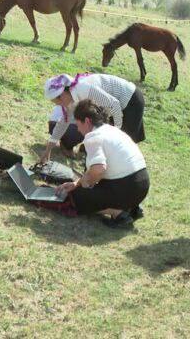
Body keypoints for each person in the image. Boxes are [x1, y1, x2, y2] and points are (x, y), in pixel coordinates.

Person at [55, 100, 150, 228]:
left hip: (127, 187)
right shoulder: (111, 130)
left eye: (78, 124)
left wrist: (83, 186)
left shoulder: (93, 136)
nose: (78, 129)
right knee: (86, 189)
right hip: (142, 185)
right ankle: (131, 207)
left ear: (87, 121)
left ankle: (118, 212)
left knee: (75, 198)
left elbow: (98, 169)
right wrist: (76, 183)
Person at [40, 73, 145, 163]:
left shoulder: (84, 89)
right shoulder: (70, 98)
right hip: (110, 106)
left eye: (58, 102)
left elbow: (114, 105)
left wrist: (115, 131)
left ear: (62, 95)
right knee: (104, 137)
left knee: (123, 141)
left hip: (130, 100)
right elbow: (63, 122)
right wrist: (48, 149)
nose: (60, 105)